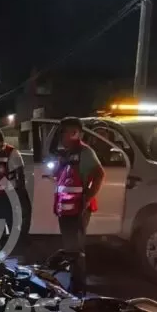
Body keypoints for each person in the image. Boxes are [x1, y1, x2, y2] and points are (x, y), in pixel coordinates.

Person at [53, 116, 105, 293]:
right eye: (61, 132)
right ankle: (74, 284)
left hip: (78, 208)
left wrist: (87, 198)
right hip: (65, 208)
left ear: (76, 133)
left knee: (76, 249)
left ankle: (78, 288)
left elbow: (99, 174)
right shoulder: (67, 153)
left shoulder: (85, 152)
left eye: (64, 132)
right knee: (70, 248)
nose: (62, 136)